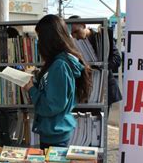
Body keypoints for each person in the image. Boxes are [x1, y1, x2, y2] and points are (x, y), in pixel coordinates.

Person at [23, 14, 92, 150]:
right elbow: (53, 93)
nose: (38, 42)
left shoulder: (59, 65)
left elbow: (52, 106)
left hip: (55, 132)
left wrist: (32, 89)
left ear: (48, 39)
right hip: (55, 129)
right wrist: (35, 84)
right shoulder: (59, 62)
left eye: (40, 37)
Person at [69, 15, 122, 110]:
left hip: (104, 88)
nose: (75, 37)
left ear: (84, 25)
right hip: (85, 90)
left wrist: (100, 66)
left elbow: (117, 59)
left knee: (101, 120)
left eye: (76, 32)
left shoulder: (102, 37)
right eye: (72, 34)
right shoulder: (73, 43)